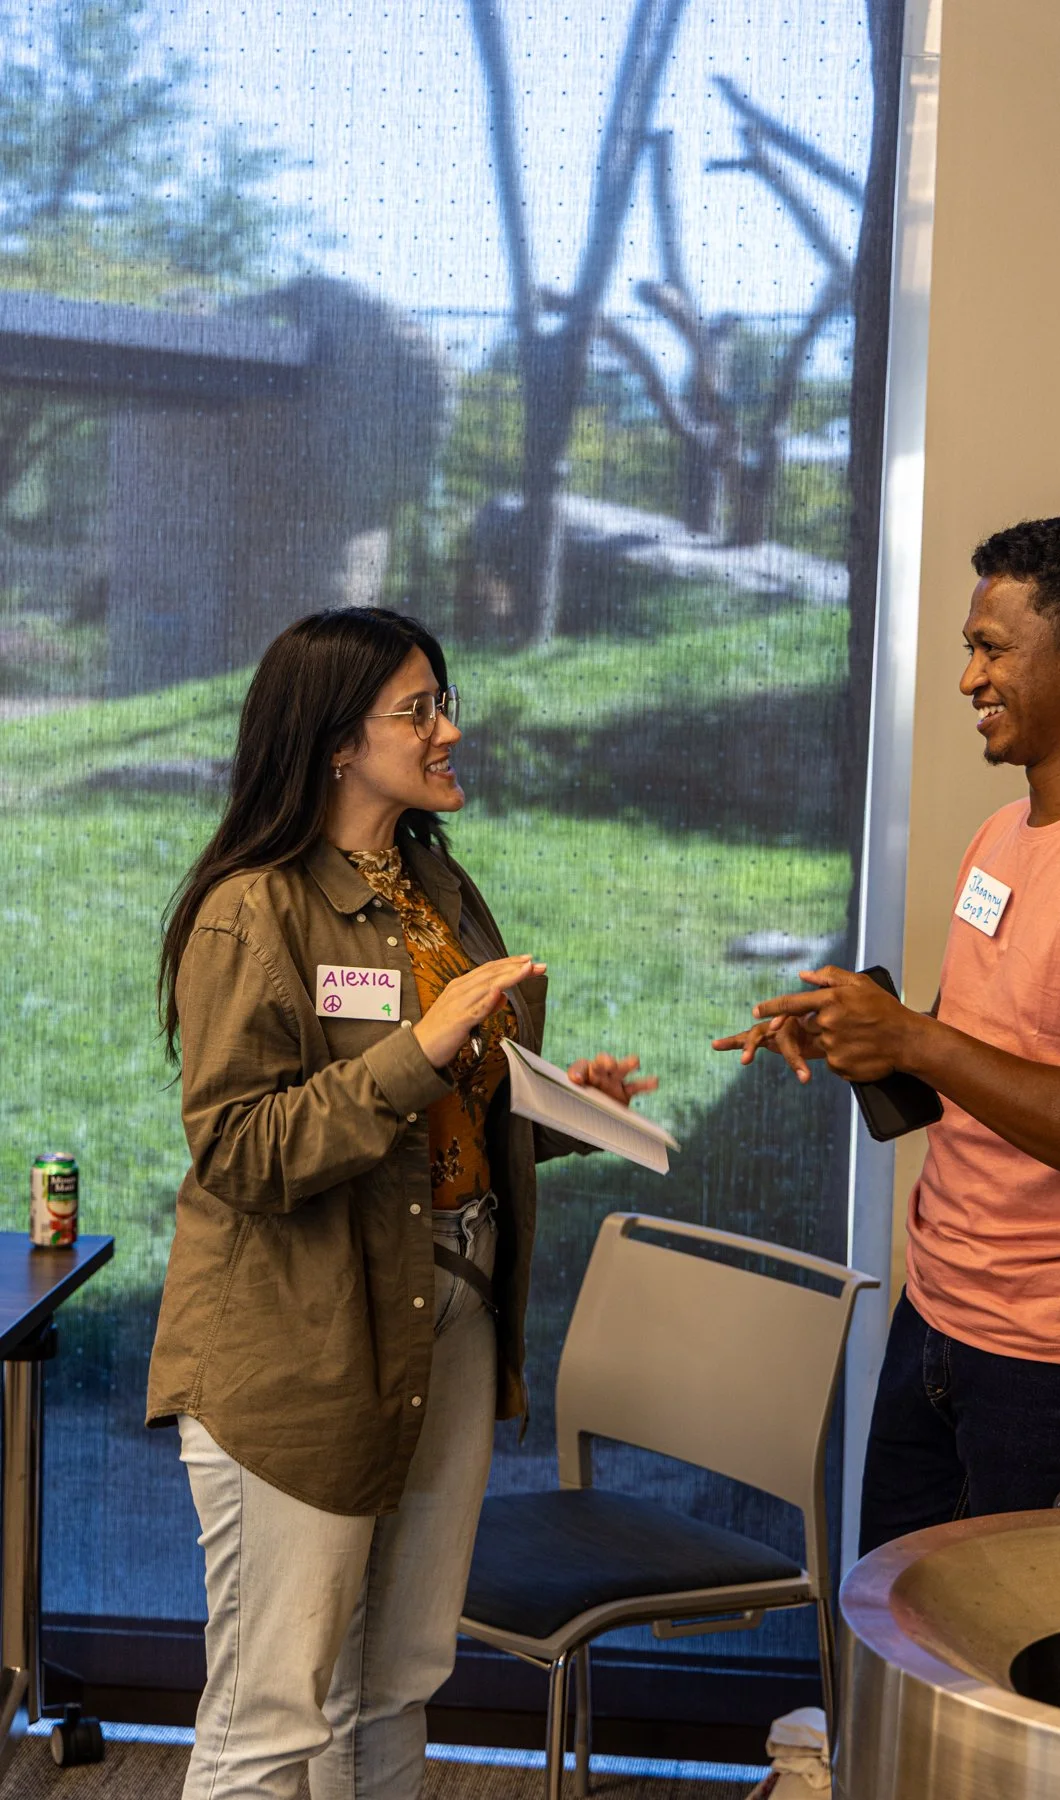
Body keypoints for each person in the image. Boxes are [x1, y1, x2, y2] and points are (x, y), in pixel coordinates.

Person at [147, 607, 656, 1799]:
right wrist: (423, 1052)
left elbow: (432, 1112)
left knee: (397, 1679)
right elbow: (240, 1148)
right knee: (275, 1711)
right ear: (336, 741)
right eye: (417, 710)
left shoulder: (428, 879)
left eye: (443, 701)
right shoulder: (250, 911)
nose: (449, 729)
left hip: (450, 1310)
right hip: (299, 1349)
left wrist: (544, 1104)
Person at [715, 514, 1060, 1553]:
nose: (970, 678)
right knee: (905, 1627)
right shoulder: (1005, 832)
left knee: (1021, 1677)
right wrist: (871, 1037)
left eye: (992, 649)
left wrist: (913, 1041)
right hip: (942, 1311)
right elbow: (994, 1054)